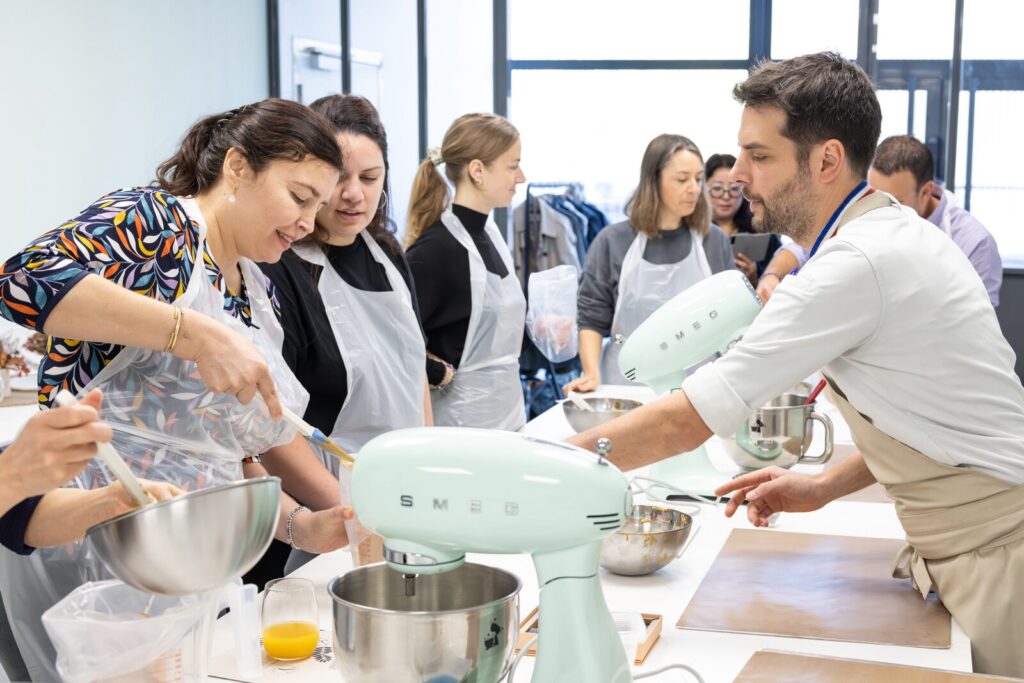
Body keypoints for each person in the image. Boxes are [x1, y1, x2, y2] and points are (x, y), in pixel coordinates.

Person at [568, 52, 1024, 677]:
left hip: (999, 559)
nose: (740, 176)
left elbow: (690, 420)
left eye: (760, 156)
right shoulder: (892, 236)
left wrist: (552, 468)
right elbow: (930, 424)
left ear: (826, 160)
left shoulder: (854, 264)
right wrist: (820, 486)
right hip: (983, 541)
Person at [0, 98, 355, 680]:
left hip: (190, 566)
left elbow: (221, 450)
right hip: (100, 556)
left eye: (317, 206)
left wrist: (299, 526)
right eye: (298, 197)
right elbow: (24, 281)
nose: (307, 222)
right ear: (238, 167)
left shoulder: (256, 291)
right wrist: (189, 334)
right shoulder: (160, 227)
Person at [260, 94, 430, 573]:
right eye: (338, 179)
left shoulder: (389, 254)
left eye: (370, 179)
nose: (354, 194)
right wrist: (358, 518)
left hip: (403, 497)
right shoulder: (280, 269)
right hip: (326, 515)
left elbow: (412, 372)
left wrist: (428, 468)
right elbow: (272, 428)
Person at [563, 135, 733, 393]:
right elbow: (591, 316)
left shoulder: (714, 240)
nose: (694, 188)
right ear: (653, 180)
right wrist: (590, 373)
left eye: (698, 179)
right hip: (628, 388)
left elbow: (728, 318)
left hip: (699, 391)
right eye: (681, 179)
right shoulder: (612, 241)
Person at [405, 113, 528, 430]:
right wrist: (432, 370)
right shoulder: (434, 250)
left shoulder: (492, 237)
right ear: (478, 171)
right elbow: (395, 343)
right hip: (460, 428)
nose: (521, 177)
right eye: (512, 166)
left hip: (509, 416)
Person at [869, 135, 1002, 307]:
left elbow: (978, 325)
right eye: (875, 198)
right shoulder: (868, 224)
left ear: (925, 193)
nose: (882, 211)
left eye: (895, 202)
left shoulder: (975, 244)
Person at [705, 152, 781, 285]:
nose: (726, 196)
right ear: (703, 189)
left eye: (734, 189)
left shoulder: (762, 229)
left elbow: (782, 277)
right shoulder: (692, 233)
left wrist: (755, 275)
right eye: (717, 188)